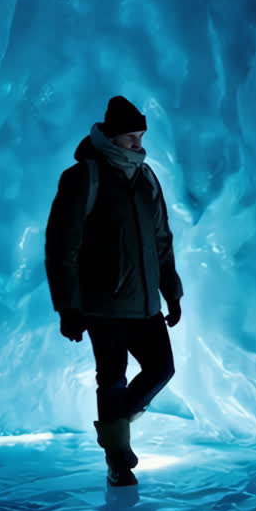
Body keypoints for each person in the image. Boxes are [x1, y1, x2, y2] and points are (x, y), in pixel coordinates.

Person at [45, 96, 183, 487]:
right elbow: (61, 247)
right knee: (112, 378)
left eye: (140, 137)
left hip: (144, 303)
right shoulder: (83, 178)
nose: (138, 145)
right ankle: (118, 460)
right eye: (130, 138)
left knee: (161, 368)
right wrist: (68, 308)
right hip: (102, 304)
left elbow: (161, 239)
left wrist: (171, 289)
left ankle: (115, 426)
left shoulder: (146, 178)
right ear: (109, 137)